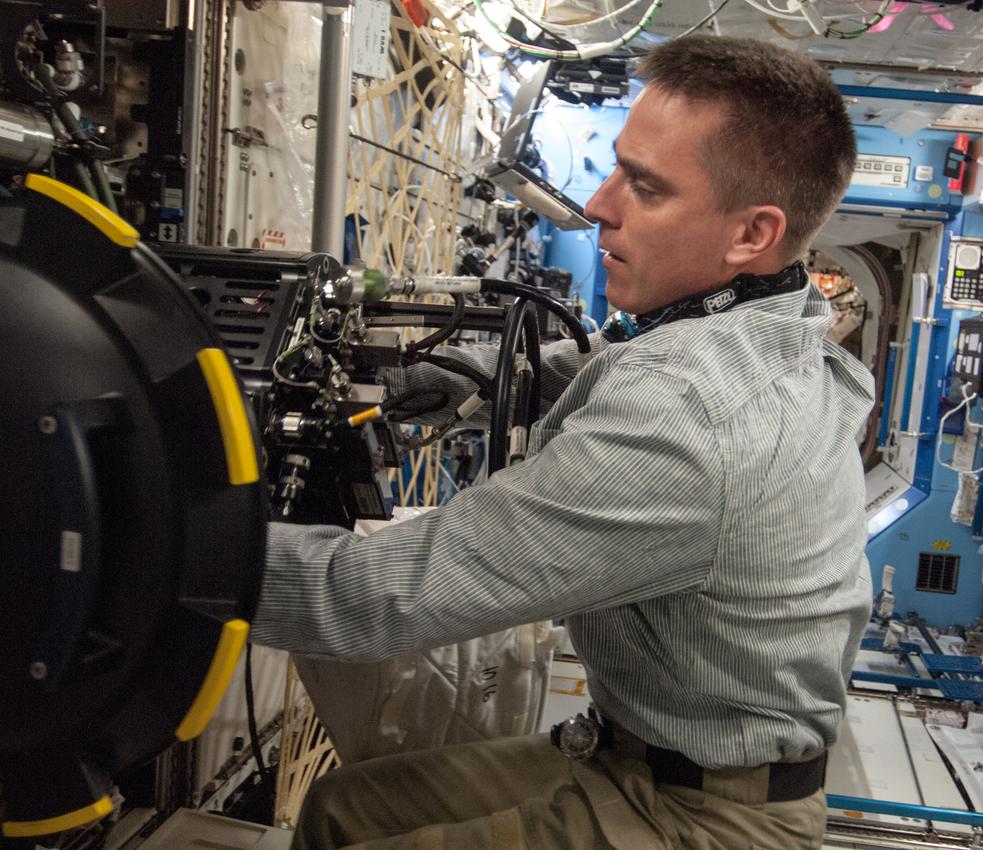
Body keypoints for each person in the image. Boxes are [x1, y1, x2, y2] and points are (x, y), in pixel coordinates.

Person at [250, 34, 873, 850]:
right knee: (342, 811)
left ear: (752, 235)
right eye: (616, 168)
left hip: (707, 817)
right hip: (636, 756)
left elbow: (373, 598)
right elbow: (605, 362)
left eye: (644, 188)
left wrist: (171, 550)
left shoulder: (688, 420)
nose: (600, 205)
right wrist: (437, 379)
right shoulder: (776, 323)